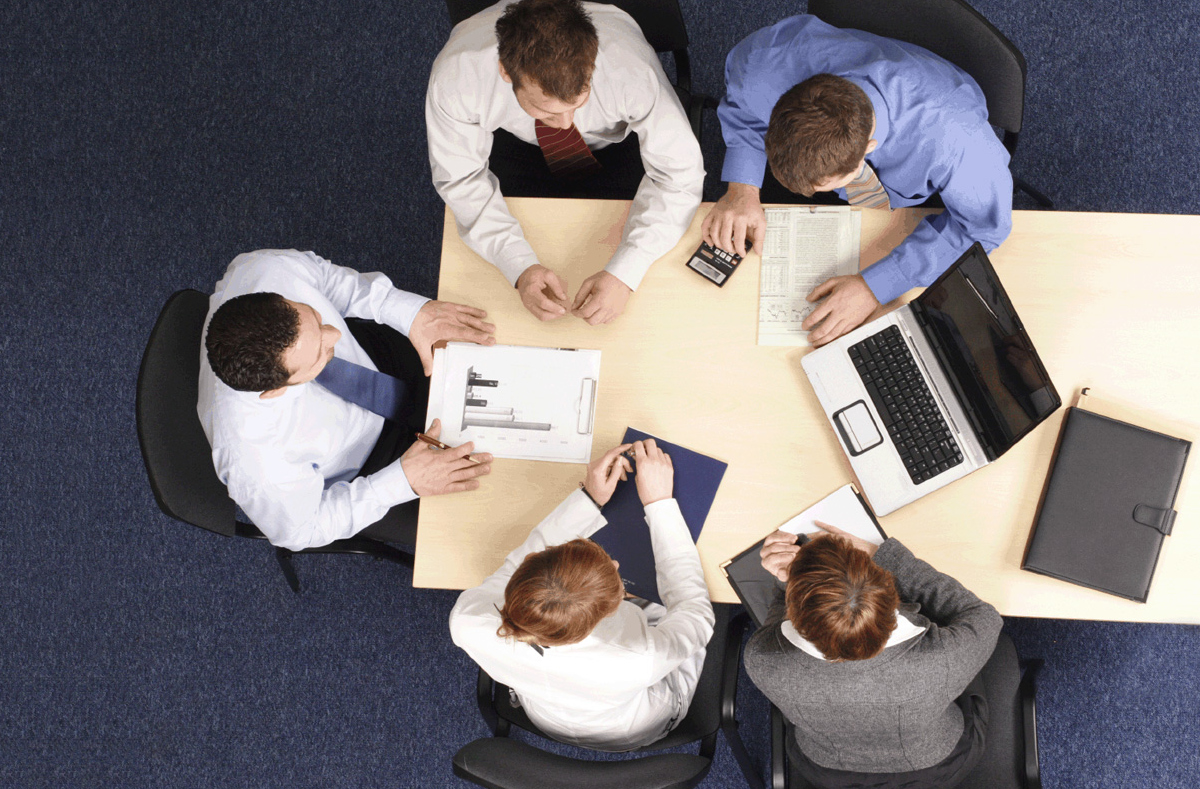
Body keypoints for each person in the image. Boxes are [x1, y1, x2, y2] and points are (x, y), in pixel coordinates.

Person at [703, 14, 1013, 346]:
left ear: (869, 149)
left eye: (821, 187)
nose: (811, 195)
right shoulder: (763, 65)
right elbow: (744, 110)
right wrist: (742, 188)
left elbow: (983, 228)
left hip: (927, 155)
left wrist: (876, 286)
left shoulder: (956, 140)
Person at [197, 249, 496, 552]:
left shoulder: (266, 269)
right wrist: (399, 483)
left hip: (373, 360)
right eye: (318, 354)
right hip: (373, 467)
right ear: (275, 390)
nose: (335, 335)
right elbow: (303, 531)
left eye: (314, 316)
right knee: (482, 521)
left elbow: (327, 280)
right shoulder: (256, 464)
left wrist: (407, 312)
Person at [426, 0, 704, 325]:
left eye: (578, 102)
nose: (566, 124)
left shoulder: (630, 70)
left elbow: (679, 176)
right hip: (515, 143)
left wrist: (627, 271)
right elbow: (461, 180)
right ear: (505, 70)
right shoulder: (457, 78)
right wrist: (518, 265)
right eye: (546, 109)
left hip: (616, 143)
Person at [448, 439, 714, 751]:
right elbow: (696, 614)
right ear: (610, 609)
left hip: (544, 714)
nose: (615, 563)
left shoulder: (468, 619)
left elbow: (521, 560)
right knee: (678, 602)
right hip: (632, 727)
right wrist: (660, 505)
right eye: (612, 571)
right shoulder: (638, 658)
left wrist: (589, 497)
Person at [744, 522, 1003, 788]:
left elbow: (778, 622)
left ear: (795, 611)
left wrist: (788, 578)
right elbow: (983, 616)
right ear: (893, 594)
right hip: (936, 763)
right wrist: (880, 552)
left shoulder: (762, 659)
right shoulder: (943, 657)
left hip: (826, 768)